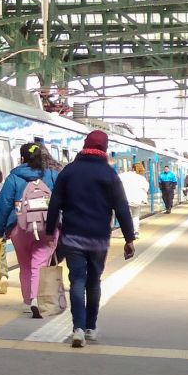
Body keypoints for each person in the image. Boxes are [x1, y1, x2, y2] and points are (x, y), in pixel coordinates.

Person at [46, 130, 135, 348]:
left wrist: (50, 232)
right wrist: (129, 238)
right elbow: (122, 208)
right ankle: (90, 328)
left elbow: (54, 203)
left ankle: (77, 328)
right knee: (94, 281)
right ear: (104, 148)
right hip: (98, 238)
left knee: (77, 280)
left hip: (72, 235)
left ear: (85, 145)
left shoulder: (69, 171)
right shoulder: (109, 174)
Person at [0, 143, 59, 318]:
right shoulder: (52, 175)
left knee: (25, 265)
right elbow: (63, 200)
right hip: (47, 227)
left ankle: (27, 301)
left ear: (22, 158)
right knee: (40, 263)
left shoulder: (14, 176)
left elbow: (4, 204)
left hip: (19, 227)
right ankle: (37, 299)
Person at [119, 163, 149, 239]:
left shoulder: (124, 175)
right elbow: (146, 188)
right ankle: (136, 232)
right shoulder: (141, 178)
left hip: (125, 199)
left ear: (132, 168)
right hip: (137, 200)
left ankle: (127, 233)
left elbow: (115, 180)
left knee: (127, 217)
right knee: (135, 216)